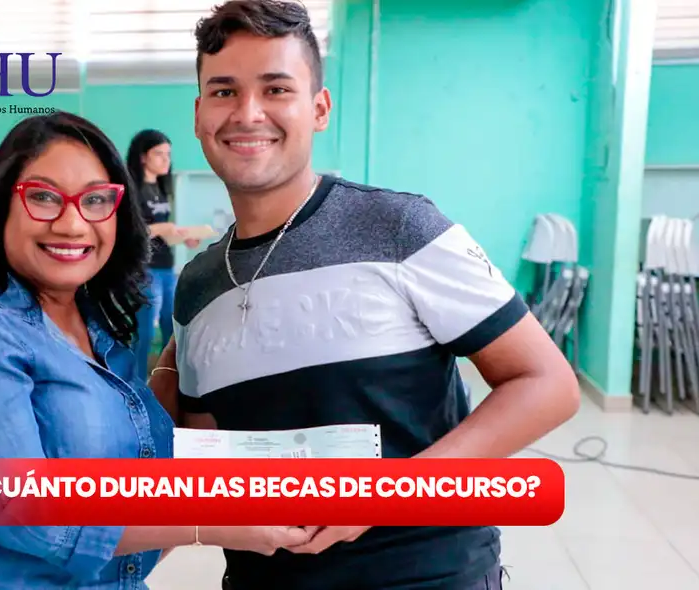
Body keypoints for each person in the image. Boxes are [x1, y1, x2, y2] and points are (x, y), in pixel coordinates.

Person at [147, 1, 582, 589]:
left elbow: (546, 384)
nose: (248, 113)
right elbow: (213, 455)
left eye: (276, 88)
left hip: (430, 575)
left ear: (319, 109)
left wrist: (389, 495)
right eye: (224, 92)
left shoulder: (401, 227)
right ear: (199, 115)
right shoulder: (197, 287)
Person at [0, 111, 316, 589]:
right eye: (44, 197)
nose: (72, 224)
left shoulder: (97, 325)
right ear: (0, 207)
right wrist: (212, 525)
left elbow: (143, 460)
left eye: (95, 200)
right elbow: (24, 509)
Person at [126, 129, 200, 380]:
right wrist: (161, 228)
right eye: (159, 154)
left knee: (172, 327)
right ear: (143, 157)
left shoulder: (159, 188)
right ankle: (136, 382)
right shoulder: (131, 190)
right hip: (144, 268)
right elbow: (128, 232)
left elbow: (159, 230)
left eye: (168, 154)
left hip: (167, 267)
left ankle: (170, 379)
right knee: (145, 330)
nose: (166, 160)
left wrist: (181, 235)